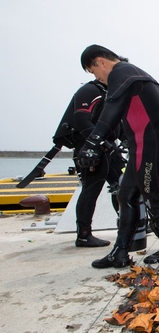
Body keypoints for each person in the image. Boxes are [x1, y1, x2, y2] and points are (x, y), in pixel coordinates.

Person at [77, 45, 159, 268]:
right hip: (143, 148)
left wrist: (92, 142)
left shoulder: (122, 73)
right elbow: (156, 116)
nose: (98, 79)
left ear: (100, 62)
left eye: (94, 72)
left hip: (149, 148)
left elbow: (111, 110)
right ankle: (120, 252)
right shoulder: (135, 74)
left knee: (153, 198)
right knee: (126, 196)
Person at [55, 80, 124, 248]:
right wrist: (98, 144)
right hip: (90, 148)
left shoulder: (112, 94)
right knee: (91, 189)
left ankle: (128, 225)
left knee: (121, 185)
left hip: (109, 147)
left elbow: (117, 124)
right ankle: (84, 235)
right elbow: (81, 120)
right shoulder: (90, 90)